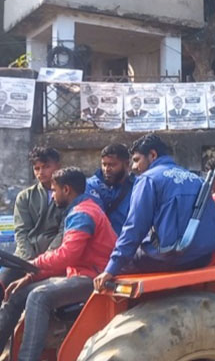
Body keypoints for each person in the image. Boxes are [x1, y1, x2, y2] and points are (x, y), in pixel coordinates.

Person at [93, 134, 215, 290]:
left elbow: (134, 228)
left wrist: (111, 268)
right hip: (200, 258)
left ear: (152, 155)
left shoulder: (148, 179)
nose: (134, 167)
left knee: (115, 268)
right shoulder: (197, 180)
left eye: (136, 160)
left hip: (168, 256)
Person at [0, 167, 117, 361]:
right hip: (77, 273)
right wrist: (30, 276)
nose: (52, 196)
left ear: (66, 190)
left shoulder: (83, 214)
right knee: (16, 295)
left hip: (93, 278)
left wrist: (32, 263)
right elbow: (65, 262)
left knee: (39, 296)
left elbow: (66, 256)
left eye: (54, 190)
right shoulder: (79, 210)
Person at [0, 147, 65, 299]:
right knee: (4, 284)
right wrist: (28, 262)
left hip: (54, 258)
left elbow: (63, 233)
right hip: (25, 258)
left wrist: (45, 260)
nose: (41, 172)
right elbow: (22, 232)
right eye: (37, 168)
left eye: (46, 167)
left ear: (58, 166)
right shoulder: (25, 197)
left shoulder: (68, 194)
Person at [86, 144, 135, 235]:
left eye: (112, 165)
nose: (107, 169)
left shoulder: (137, 186)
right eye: (104, 164)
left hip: (127, 243)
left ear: (127, 164)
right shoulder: (91, 186)